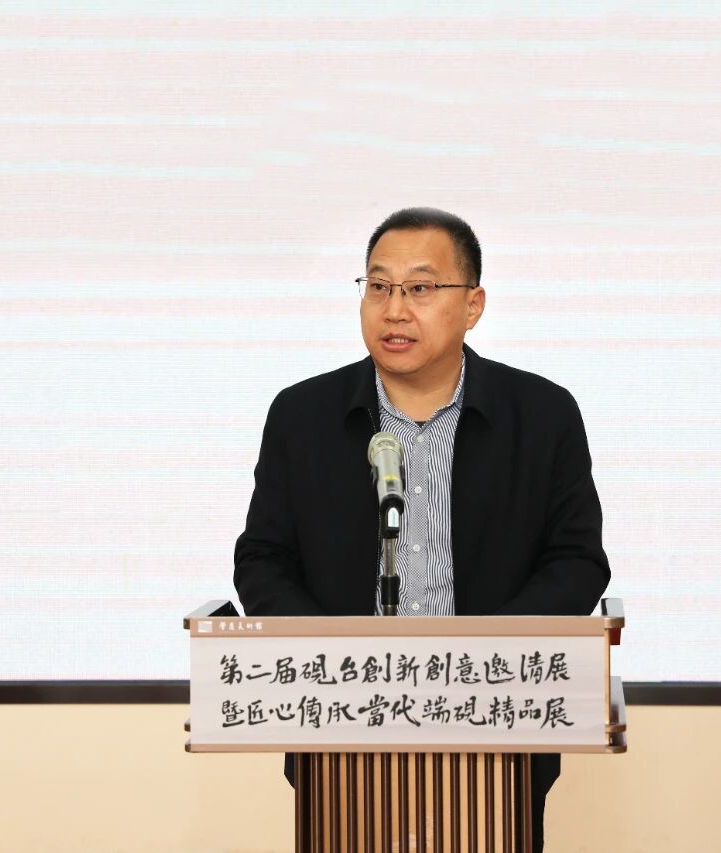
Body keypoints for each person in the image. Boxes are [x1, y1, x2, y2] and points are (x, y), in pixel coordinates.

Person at [234, 207, 610, 851]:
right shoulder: (302, 415)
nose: (394, 310)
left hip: (495, 737)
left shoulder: (542, 413)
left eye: (420, 288)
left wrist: (474, 664)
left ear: (473, 306)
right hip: (342, 738)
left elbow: (577, 562)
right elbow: (263, 559)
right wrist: (341, 662)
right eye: (379, 286)